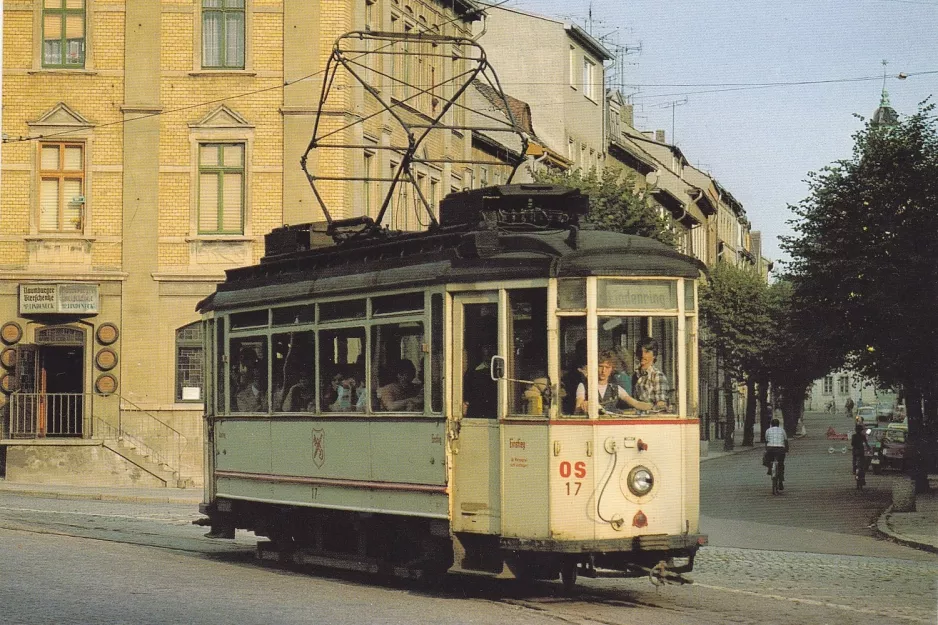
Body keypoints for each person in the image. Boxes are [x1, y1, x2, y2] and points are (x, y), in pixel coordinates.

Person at [576, 350, 652, 414]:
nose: (603, 371)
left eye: (607, 367)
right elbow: (577, 411)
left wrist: (653, 406)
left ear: (612, 369)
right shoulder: (583, 386)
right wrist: (583, 406)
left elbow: (636, 404)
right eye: (601, 366)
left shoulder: (616, 389)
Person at [632, 337, 670, 410]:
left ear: (654, 355)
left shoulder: (657, 376)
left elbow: (661, 405)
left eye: (646, 352)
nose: (642, 355)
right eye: (640, 351)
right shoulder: (636, 375)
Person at [764, 418, 788, 488]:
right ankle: (780, 480)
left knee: (767, 459)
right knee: (781, 464)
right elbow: (785, 441)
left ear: (771, 424)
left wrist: (766, 449)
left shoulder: (768, 430)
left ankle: (769, 468)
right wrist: (786, 449)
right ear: (778, 424)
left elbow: (766, 440)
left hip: (770, 449)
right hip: (780, 449)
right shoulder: (782, 430)